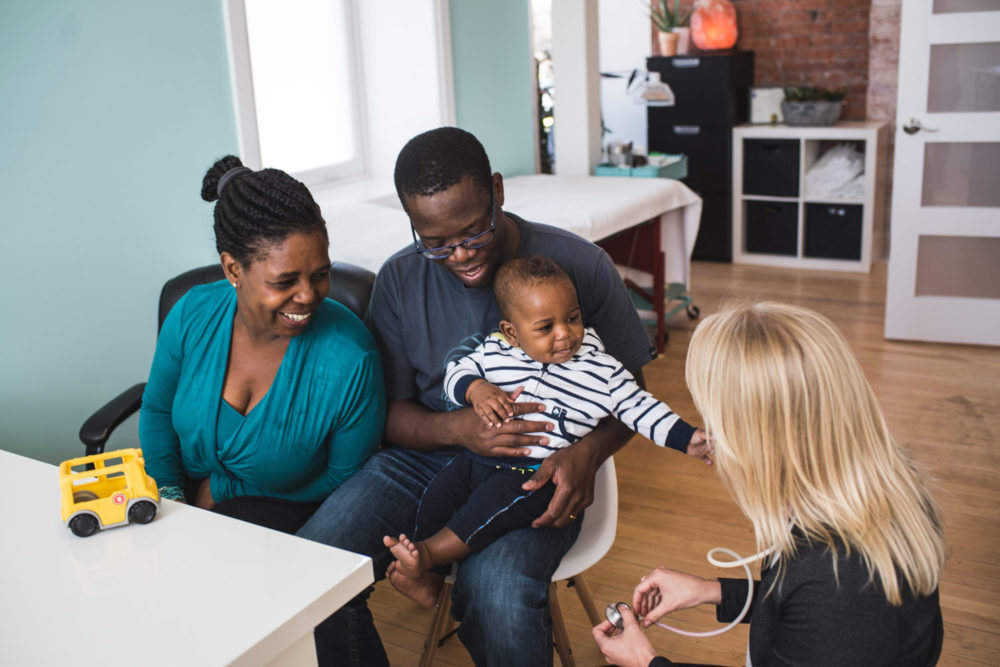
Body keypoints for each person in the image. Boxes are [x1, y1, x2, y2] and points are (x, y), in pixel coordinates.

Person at [296, 126, 711, 666]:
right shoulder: (400, 279)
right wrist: (457, 428)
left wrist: (584, 454)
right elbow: (391, 415)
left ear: (497, 191)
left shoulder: (578, 266)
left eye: (473, 232)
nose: (460, 255)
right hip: (427, 462)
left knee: (498, 596)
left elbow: (629, 398)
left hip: (537, 471)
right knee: (312, 566)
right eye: (436, 242)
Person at [592, 302, 946, 667]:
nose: (714, 438)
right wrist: (714, 591)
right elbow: (804, 618)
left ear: (762, 436)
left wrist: (647, 663)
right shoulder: (871, 490)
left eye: (719, 421)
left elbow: (824, 607)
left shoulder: (840, 578)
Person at [384, 254, 707, 606]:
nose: (564, 334)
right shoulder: (496, 350)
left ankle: (428, 556)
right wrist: (475, 389)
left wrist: (688, 439)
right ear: (512, 332)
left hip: (535, 474)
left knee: (486, 509)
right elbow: (457, 373)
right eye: (545, 327)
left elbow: (642, 409)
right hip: (478, 458)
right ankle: (428, 581)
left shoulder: (602, 370)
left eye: (572, 318)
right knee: (438, 494)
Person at [140, 155, 386, 534]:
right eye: (284, 281)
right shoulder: (191, 314)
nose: (309, 295)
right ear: (233, 269)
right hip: (182, 496)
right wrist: (171, 500)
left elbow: (344, 480)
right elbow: (157, 410)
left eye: (321, 274)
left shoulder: (351, 359)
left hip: (288, 510)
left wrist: (226, 488)